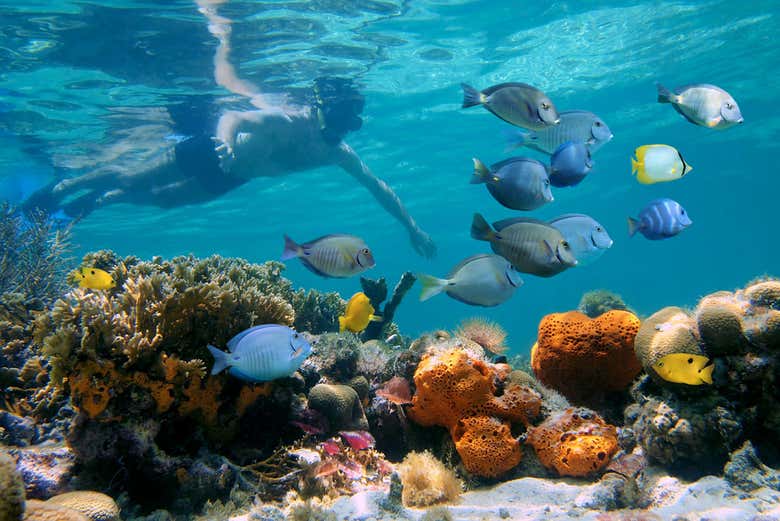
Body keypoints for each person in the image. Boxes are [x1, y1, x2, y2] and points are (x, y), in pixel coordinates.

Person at [24, 0, 436, 258]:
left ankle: (102, 202)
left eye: (353, 125)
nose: (348, 133)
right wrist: (222, 144)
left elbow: (378, 186)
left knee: (167, 202)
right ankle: (64, 187)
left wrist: (412, 228)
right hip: (211, 151)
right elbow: (233, 118)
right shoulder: (289, 120)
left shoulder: (335, 152)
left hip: (233, 178)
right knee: (132, 173)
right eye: (346, 122)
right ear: (327, 111)